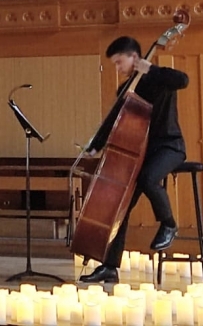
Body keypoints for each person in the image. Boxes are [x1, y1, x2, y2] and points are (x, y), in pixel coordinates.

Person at [78, 36, 189, 284]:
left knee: (149, 178)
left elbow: (183, 80)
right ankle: (109, 267)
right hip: (142, 153)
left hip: (169, 146)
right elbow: (112, 122)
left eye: (120, 62)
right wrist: (95, 146)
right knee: (122, 206)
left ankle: (169, 224)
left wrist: (151, 69)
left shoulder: (160, 78)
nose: (118, 68)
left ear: (135, 58)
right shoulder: (126, 90)